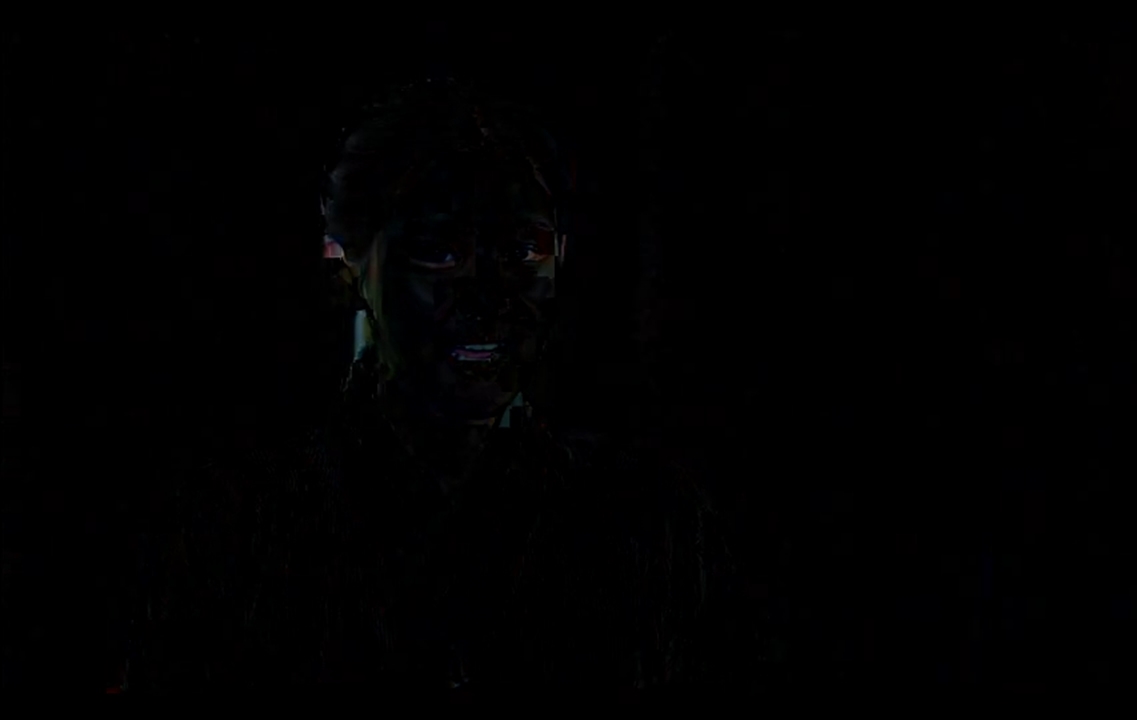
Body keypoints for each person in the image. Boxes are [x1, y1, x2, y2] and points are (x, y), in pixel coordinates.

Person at [124, 79, 749, 690]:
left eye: (522, 253)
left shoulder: (651, 528)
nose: (488, 299)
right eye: (438, 253)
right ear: (348, 271)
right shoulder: (237, 533)